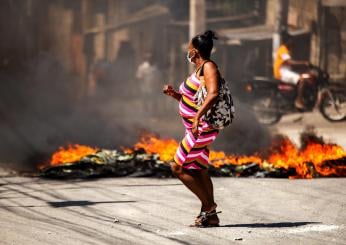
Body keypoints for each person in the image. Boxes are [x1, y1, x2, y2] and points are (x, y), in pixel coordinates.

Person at [163, 30, 222, 227]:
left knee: (177, 167)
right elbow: (194, 99)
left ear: (195, 52)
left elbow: (213, 94)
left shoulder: (209, 67)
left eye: (189, 48)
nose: (187, 52)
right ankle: (211, 217)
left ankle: (208, 206)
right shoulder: (199, 71)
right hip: (195, 128)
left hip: (201, 128)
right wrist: (176, 96)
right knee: (200, 170)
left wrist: (197, 117)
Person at [273, 31, 311, 109]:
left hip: (286, 71)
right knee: (302, 80)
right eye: (291, 40)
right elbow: (289, 62)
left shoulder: (286, 49)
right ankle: (298, 100)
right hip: (281, 73)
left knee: (304, 77)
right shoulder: (283, 49)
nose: (292, 42)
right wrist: (304, 63)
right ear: (287, 41)